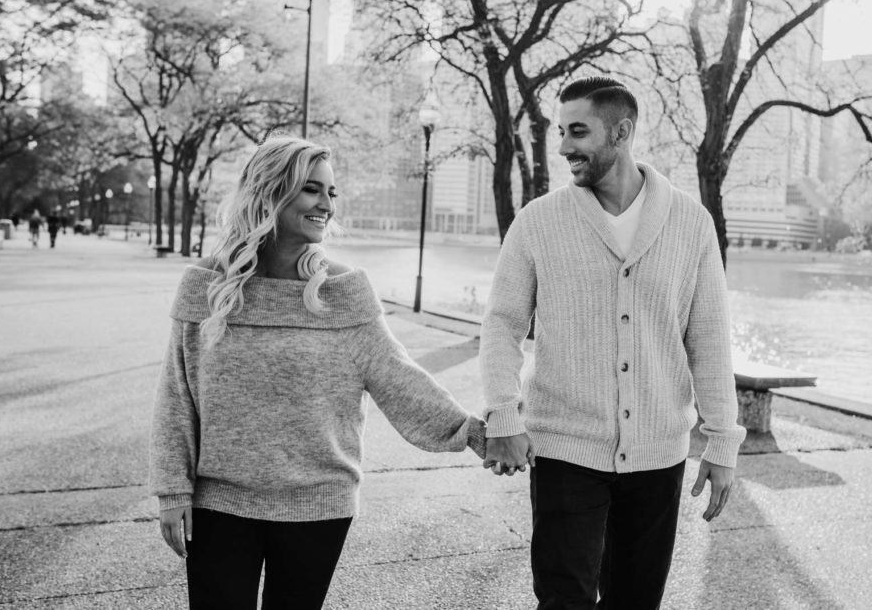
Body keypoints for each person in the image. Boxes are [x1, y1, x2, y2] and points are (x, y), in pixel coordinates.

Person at [149, 135, 486, 610]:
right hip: (218, 503)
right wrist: (172, 490)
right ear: (270, 191)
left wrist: (475, 433)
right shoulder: (205, 286)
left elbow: (397, 376)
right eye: (312, 189)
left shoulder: (344, 290)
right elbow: (176, 398)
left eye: (331, 192)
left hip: (318, 505)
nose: (326, 204)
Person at [480, 76, 747, 609]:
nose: (563, 147)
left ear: (622, 132)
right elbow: (502, 324)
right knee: (564, 600)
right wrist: (502, 415)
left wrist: (723, 439)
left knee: (634, 601)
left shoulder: (691, 224)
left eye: (578, 132)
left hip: (657, 454)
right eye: (560, 132)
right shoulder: (538, 222)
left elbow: (710, 337)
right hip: (565, 447)